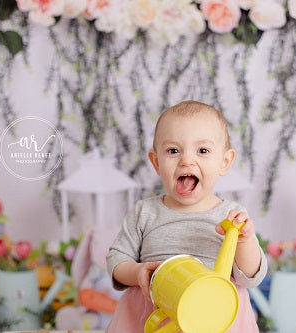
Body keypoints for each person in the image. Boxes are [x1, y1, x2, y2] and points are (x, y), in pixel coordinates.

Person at [106, 100, 267, 332]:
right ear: (156, 161)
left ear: (224, 161)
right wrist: (138, 272)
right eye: (173, 151)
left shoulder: (232, 216)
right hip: (155, 314)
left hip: (213, 316)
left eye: (203, 151)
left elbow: (251, 277)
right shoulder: (145, 212)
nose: (187, 161)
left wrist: (244, 241)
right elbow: (116, 261)